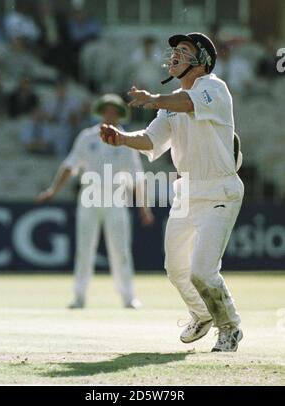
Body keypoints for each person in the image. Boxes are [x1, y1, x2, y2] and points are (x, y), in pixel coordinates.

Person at [100, 33, 244, 352]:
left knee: (203, 272)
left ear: (202, 60)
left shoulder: (213, 87)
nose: (175, 55)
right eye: (175, 50)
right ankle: (202, 314)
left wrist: (153, 98)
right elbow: (152, 140)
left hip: (219, 190)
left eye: (184, 50)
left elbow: (189, 104)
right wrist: (122, 139)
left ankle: (230, 327)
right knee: (176, 269)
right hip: (186, 194)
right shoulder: (169, 106)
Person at [38, 94, 154, 309]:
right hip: (89, 196)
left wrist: (144, 208)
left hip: (116, 197)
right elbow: (69, 165)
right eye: (106, 110)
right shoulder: (87, 137)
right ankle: (79, 296)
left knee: (120, 249)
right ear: (101, 112)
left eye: (114, 111)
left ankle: (128, 297)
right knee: (85, 248)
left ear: (119, 114)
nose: (110, 114)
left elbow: (137, 176)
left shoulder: (127, 139)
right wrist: (53, 190)